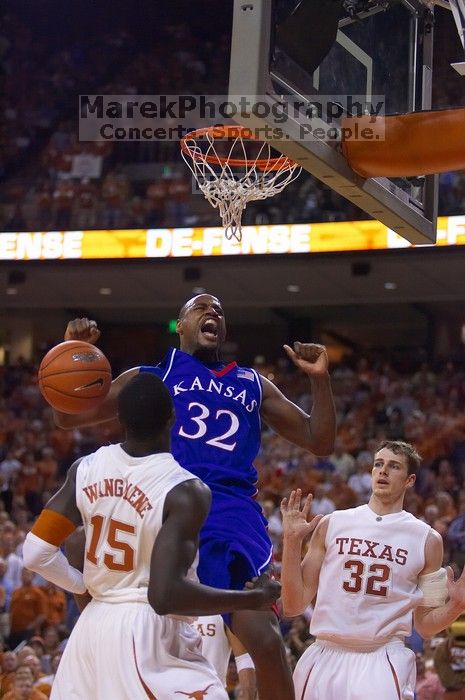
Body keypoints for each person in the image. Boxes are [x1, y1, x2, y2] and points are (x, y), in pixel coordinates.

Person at [52, 293, 336, 700]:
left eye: (219, 311)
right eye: (200, 308)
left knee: (266, 639)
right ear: (180, 326)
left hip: (228, 514)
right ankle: (105, 636)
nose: (212, 313)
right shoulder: (152, 376)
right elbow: (69, 416)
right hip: (161, 497)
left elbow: (319, 440)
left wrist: (320, 379)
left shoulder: (252, 383)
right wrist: (73, 352)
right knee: (79, 544)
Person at [23, 373, 280, 700]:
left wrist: (82, 584)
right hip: (147, 633)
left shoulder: (84, 469)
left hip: (90, 630)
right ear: (172, 418)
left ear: (120, 418)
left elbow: (35, 553)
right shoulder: (185, 488)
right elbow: (164, 595)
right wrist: (254, 599)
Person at [280, 440, 465, 700]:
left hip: (383, 657)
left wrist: (456, 606)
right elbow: (293, 606)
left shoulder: (427, 539)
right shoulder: (333, 523)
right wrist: (291, 543)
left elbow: (424, 625)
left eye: (393, 466)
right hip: (324, 653)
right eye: (378, 464)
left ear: (410, 480)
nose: (383, 471)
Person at [193, 615, 256, 699]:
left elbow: (244, 659)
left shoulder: (226, 612)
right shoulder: (173, 609)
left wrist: (247, 696)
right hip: (173, 691)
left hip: (213, 694)